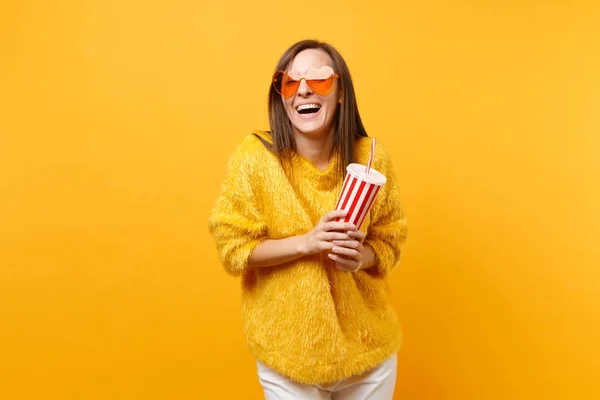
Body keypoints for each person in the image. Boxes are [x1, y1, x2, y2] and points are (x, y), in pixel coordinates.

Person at [209, 39, 407, 399]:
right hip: (286, 355)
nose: (303, 90)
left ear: (341, 91)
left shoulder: (373, 160)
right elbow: (234, 249)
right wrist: (308, 243)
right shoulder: (254, 159)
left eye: (318, 80)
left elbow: (389, 242)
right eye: (290, 82)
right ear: (281, 95)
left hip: (367, 354)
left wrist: (359, 257)